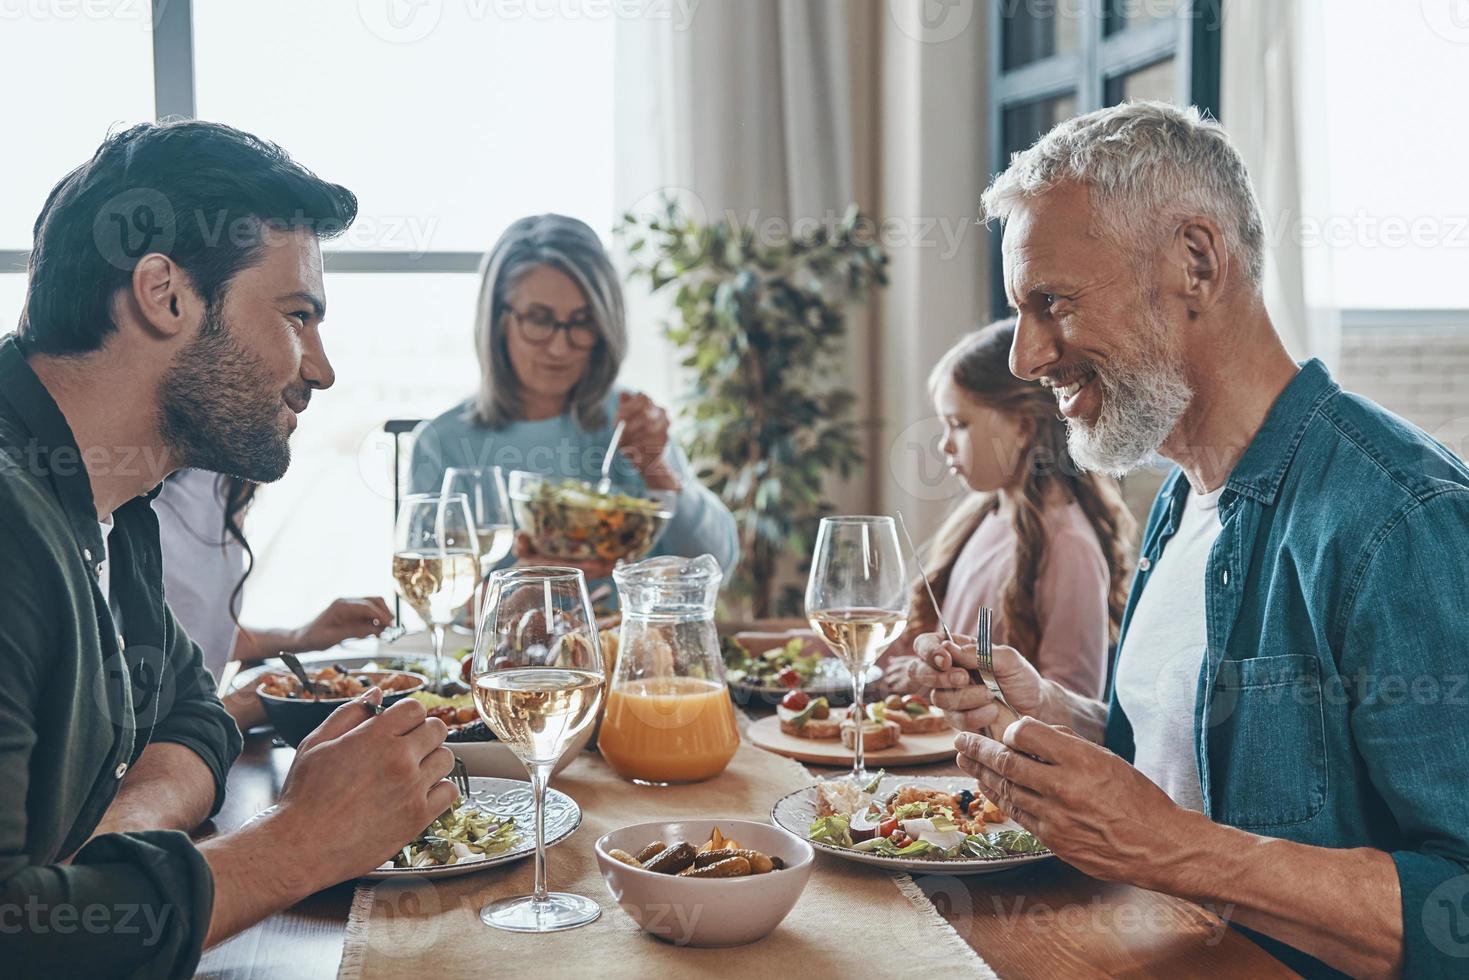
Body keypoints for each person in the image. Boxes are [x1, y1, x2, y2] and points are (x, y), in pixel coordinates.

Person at [915, 101, 1469, 979]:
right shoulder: (1181, 498)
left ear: (1195, 262)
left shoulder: (1399, 517)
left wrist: (1173, 850)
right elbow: (1182, 777)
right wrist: (1058, 721)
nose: (1024, 356)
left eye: (1049, 301)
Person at [0, 120, 455, 978]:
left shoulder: (117, 503)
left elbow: (196, 713)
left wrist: (113, 844)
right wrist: (301, 842)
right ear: (164, 295)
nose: (320, 368)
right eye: (296, 315)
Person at [408, 214, 739, 583]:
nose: (560, 347)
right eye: (539, 319)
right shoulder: (442, 444)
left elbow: (717, 567)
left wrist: (657, 468)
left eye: (581, 321)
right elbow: (436, 600)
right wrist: (528, 583)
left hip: (628, 640)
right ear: (499, 320)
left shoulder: (628, 422)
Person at [884, 320, 1132, 700]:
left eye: (958, 424)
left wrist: (946, 684)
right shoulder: (980, 516)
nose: (944, 446)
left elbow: (1071, 706)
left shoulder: (1069, 546)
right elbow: (907, 645)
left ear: (1022, 426)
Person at [153, 470, 394, 725]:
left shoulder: (224, 481)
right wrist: (239, 709)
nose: (294, 427)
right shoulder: (143, 502)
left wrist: (301, 637)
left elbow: (196, 636)